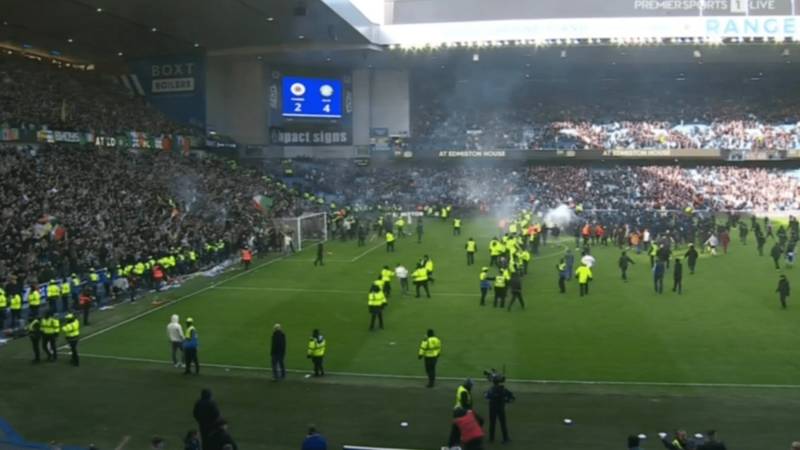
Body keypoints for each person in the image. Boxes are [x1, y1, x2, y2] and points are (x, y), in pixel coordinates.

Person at [485, 375, 514, 444]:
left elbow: (486, 396)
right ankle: (505, 438)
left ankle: (491, 438)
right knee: (503, 424)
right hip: (501, 409)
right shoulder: (503, 389)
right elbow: (512, 397)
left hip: (492, 409)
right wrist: (506, 401)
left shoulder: (491, 390)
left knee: (492, 424)